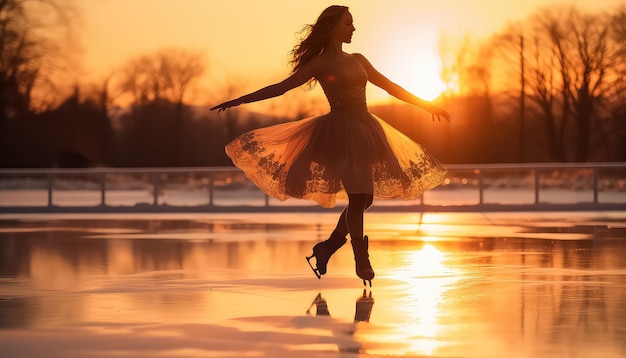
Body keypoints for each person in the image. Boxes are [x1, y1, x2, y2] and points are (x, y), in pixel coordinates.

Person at [211, 5, 450, 286]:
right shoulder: (319, 64)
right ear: (334, 26)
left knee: (366, 199)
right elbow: (282, 87)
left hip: (367, 129)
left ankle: (327, 247)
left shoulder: (359, 59)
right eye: (348, 23)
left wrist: (426, 104)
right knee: (359, 199)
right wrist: (240, 100)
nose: (353, 29)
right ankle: (361, 257)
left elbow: (389, 86)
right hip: (340, 134)